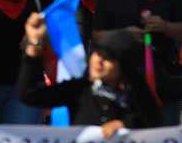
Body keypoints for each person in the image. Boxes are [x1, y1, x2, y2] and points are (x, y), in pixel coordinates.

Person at [20, 12, 162, 131]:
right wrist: (33, 48)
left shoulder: (136, 92)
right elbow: (29, 95)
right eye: (97, 54)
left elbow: (154, 122)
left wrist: (125, 125)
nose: (98, 62)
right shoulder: (79, 90)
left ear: (123, 65)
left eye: (108, 58)